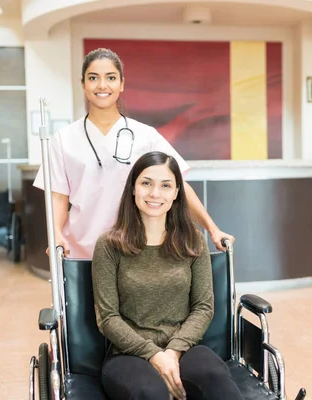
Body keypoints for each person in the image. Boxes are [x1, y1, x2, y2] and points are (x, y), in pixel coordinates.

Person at [33, 47, 234, 258]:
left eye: (111, 77)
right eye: (93, 78)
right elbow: (58, 197)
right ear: (83, 84)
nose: (102, 85)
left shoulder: (145, 135)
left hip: (133, 251)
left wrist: (212, 228)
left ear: (121, 84)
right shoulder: (63, 138)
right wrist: (54, 233)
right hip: (80, 251)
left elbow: (179, 186)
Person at [92, 151, 243, 400]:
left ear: (176, 193)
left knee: (215, 378)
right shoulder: (109, 245)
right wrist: (154, 354)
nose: (155, 194)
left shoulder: (193, 241)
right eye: (146, 183)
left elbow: (203, 307)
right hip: (128, 354)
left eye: (166, 185)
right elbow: (108, 318)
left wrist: (173, 351)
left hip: (185, 348)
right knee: (150, 392)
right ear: (133, 188)